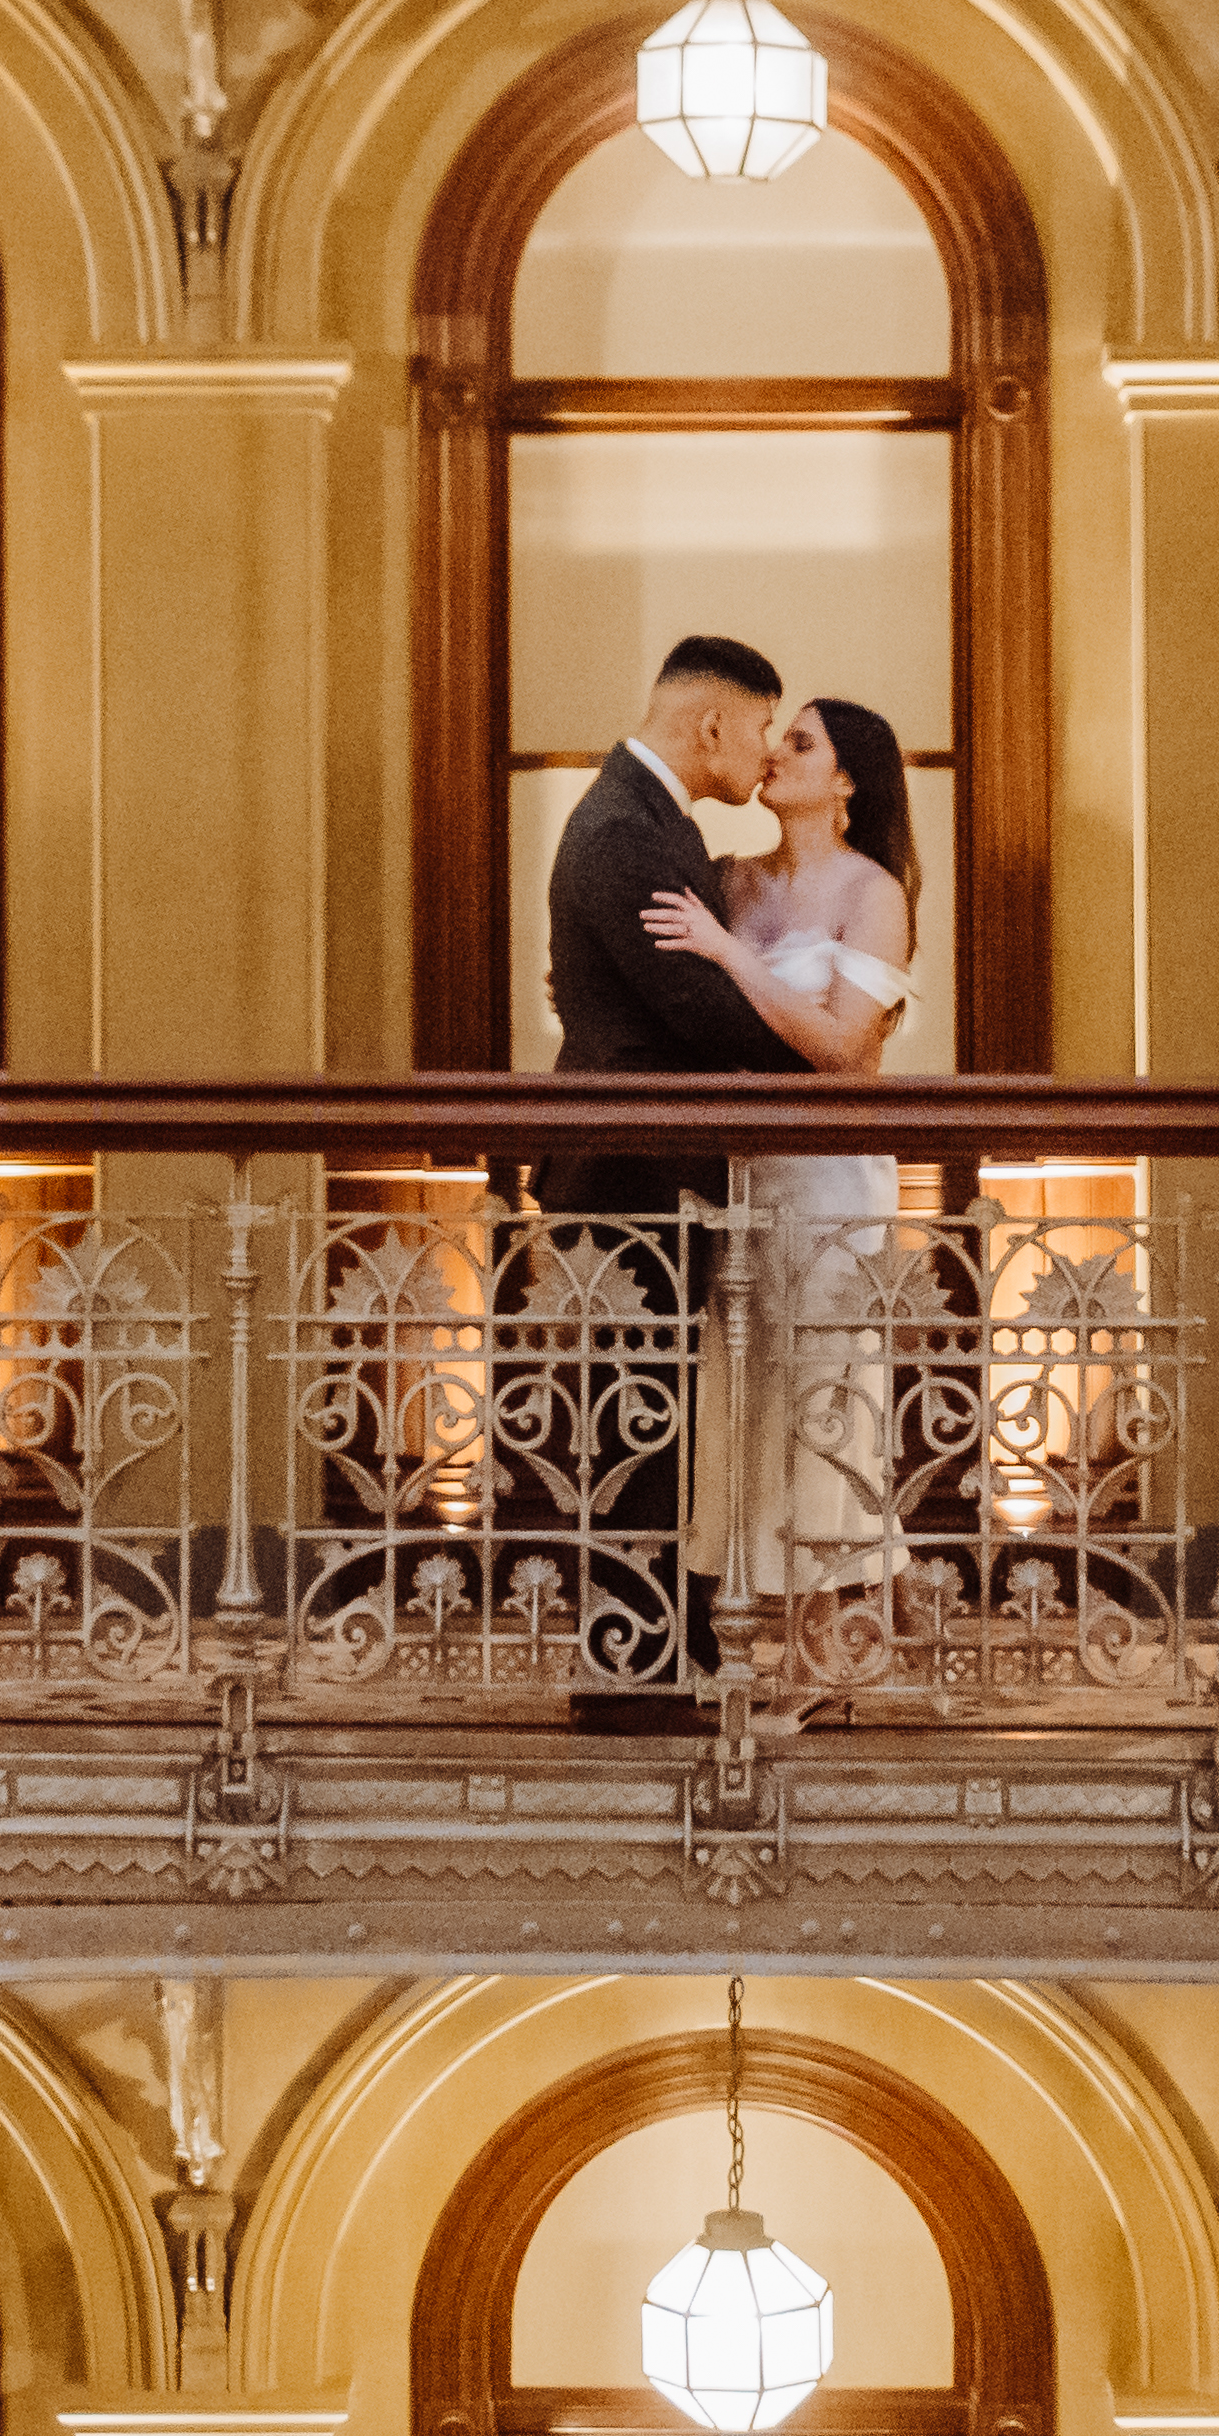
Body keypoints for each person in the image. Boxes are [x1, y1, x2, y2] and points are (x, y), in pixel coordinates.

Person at [538, 636, 800, 1697]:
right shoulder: (620, 831)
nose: (765, 750)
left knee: (655, 1416)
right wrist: (822, 1039)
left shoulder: (646, 822)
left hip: (649, 1163)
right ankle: (626, 1670)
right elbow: (692, 1005)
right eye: (759, 727)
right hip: (625, 1170)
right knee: (626, 1421)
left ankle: (659, 1652)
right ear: (709, 726)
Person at [641, 694, 921, 1688]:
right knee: (742, 1392)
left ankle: (813, 1645)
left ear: (845, 781)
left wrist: (724, 953)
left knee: (818, 1393)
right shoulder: (726, 875)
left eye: (800, 742)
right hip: (738, 1177)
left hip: (828, 1180)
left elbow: (844, 1048)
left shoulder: (869, 890)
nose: (775, 752)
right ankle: (738, 1628)